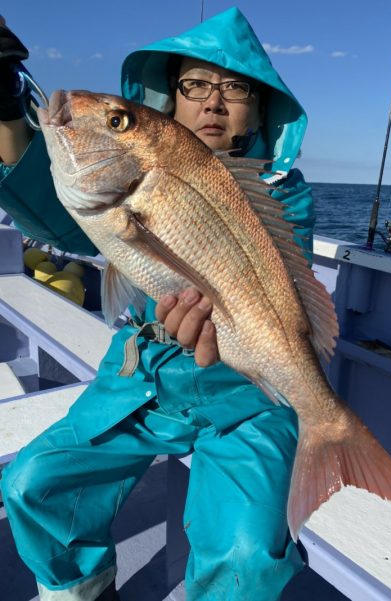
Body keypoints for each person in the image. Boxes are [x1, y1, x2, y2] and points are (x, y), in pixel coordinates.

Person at [0, 7, 315, 601]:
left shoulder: (285, 198)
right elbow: (53, 208)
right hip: (142, 379)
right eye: (194, 85)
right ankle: (82, 590)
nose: (213, 102)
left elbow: (276, 300)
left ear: (261, 107)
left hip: (248, 394)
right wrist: (6, 102)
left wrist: (216, 329)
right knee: (29, 483)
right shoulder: (125, 179)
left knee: (247, 558)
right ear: (170, 101)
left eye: (234, 88)